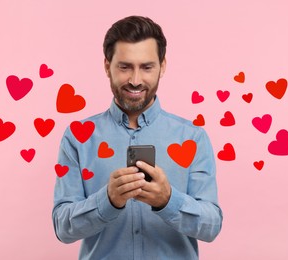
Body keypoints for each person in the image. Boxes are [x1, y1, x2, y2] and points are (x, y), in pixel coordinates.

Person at [52, 15, 222, 259]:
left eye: (146, 67)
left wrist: (168, 201)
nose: (135, 80)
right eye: (124, 67)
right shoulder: (78, 138)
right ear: (106, 65)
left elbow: (212, 226)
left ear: (162, 66)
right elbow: (62, 227)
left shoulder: (193, 137)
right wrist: (107, 200)